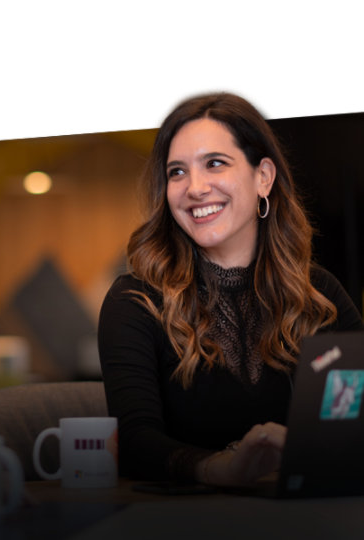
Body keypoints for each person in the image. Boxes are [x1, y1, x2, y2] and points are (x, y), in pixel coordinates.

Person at [97, 92, 364, 487]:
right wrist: (221, 468)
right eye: (177, 172)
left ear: (263, 177)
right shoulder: (135, 302)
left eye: (215, 164)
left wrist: (310, 452)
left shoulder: (319, 295)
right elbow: (135, 445)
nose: (195, 188)